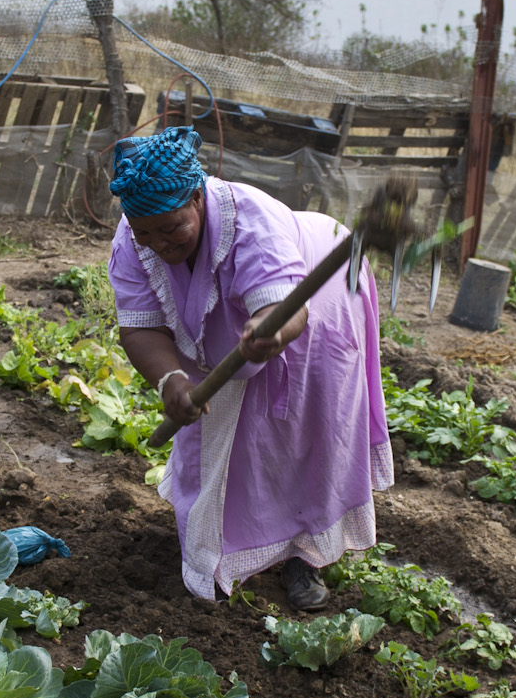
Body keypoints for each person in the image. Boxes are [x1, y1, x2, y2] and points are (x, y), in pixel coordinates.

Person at [105, 126, 391, 607]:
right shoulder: (136, 238)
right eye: (145, 231)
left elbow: (288, 308)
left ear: (197, 197)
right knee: (214, 435)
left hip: (318, 301)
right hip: (230, 327)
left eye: (171, 228)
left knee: (298, 435)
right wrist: (171, 378)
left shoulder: (251, 224)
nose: (158, 243)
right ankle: (218, 547)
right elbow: (139, 326)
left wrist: (270, 331)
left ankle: (305, 557)